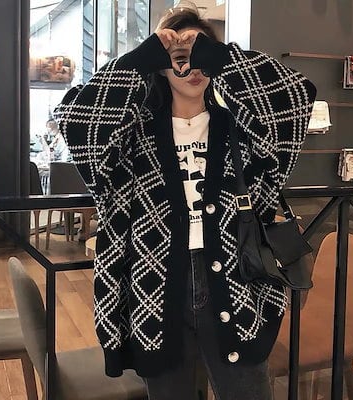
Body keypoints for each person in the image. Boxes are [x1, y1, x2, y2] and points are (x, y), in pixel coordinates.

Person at [54, 4, 316, 399]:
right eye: (179, 58)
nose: (192, 67)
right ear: (160, 66)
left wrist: (217, 55)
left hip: (237, 285)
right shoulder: (132, 137)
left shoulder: (243, 129)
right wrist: (140, 58)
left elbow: (295, 96)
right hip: (154, 292)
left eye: (201, 56)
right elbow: (77, 119)